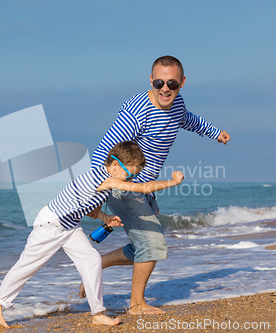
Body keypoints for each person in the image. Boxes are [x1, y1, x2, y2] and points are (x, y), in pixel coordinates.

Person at [81, 55, 231, 315]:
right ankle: (136, 304)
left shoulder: (177, 104)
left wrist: (214, 132)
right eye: (159, 82)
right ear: (151, 79)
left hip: (146, 188)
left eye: (172, 84)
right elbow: (105, 151)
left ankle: (97, 263)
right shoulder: (136, 113)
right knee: (153, 245)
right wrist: (94, 190)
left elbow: (188, 119)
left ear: (182, 83)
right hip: (124, 189)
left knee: (142, 247)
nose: (165, 89)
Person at [0, 141, 185, 328]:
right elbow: (141, 188)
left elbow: (89, 209)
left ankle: (97, 314)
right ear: (115, 166)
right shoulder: (104, 179)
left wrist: (105, 217)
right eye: (129, 175)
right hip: (51, 225)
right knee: (28, 266)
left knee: (92, 260)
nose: (130, 180)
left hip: (70, 226)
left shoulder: (105, 179)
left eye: (132, 176)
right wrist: (173, 181)